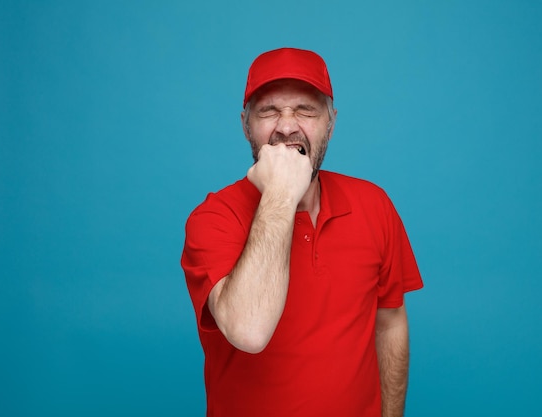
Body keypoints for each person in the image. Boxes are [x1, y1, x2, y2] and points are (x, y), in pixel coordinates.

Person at [181, 47, 423, 417]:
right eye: (269, 111)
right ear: (245, 124)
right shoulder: (215, 217)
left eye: (306, 110)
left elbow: (389, 324)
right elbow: (248, 330)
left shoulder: (374, 204)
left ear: (331, 122)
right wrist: (280, 192)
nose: (287, 126)